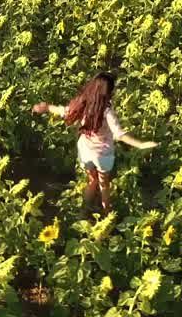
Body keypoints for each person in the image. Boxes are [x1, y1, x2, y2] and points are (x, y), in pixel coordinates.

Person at [32, 71, 158, 214]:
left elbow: (64, 111)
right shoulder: (107, 111)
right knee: (104, 184)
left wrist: (46, 107)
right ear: (108, 92)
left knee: (92, 180)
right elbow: (119, 134)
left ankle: (82, 213)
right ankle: (107, 214)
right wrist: (141, 145)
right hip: (103, 155)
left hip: (85, 151)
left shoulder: (82, 104)